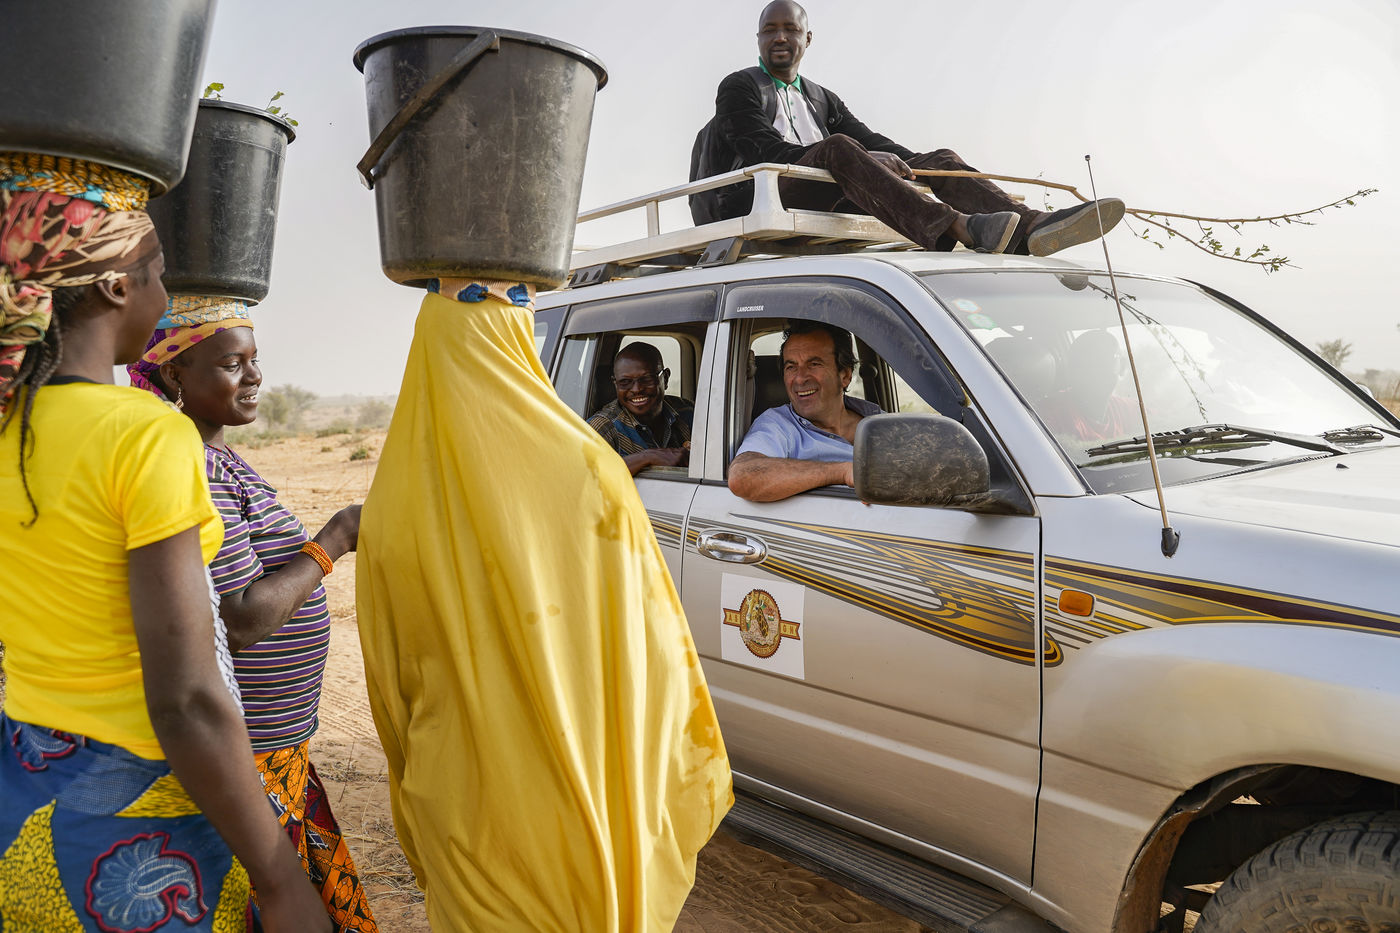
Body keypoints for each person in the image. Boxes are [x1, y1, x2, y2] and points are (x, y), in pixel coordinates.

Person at [0, 153, 328, 931]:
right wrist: (280, 878)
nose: (165, 293)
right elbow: (185, 696)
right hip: (141, 817)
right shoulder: (144, 434)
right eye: (157, 273)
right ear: (116, 286)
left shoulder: (12, 425)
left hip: (25, 786)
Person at [356, 277, 732, 931]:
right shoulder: (596, 473)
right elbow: (650, 647)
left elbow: (388, 677)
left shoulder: (389, 506)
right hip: (579, 783)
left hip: (460, 793)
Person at [128, 297, 378, 933]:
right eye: (233, 364)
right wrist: (335, 539)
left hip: (274, 744)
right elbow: (239, 618)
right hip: (251, 752)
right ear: (176, 375)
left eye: (255, 361)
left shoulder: (221, 459)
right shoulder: (200, 470)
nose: (256, 377)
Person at [708, 0, 1125, 255]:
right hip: (763, 195)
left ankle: (1030, 226)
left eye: (790, 29)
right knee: (839, 147)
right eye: (770, 30)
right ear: (758, 39)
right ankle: (958, 226)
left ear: (808, 38)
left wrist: (920, 165)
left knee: (936, 158)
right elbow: (765, 151)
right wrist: (859, 157)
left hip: (827, 194)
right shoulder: (739, 86)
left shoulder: (820, 97)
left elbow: (873, 141)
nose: (780, 37)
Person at [729, 320, 881, 501]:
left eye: (814, 364)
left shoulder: (879, 420)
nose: (800, 378)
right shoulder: (777, 425)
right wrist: (843, 472)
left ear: (845, 376)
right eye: (791, 367)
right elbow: (742, 476)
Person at [587, 341, 693, 475]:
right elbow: (583, 476)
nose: (636, 389)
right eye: (625, 382)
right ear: (615, 384)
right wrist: (647, 457)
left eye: (646, 379)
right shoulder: (602, 427)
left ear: (665, 378)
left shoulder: (688, 412)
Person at [1042, 328, 1140, 442]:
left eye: (1103, 360)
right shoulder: (1049, 418)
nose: (1093, 370)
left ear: (1122, 366)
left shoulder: (1131, 411)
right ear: (1069, 370)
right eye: (1082, 363)